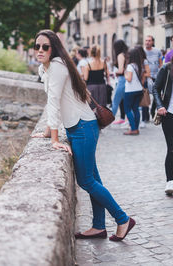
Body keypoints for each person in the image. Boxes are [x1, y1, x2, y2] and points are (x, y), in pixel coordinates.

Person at [31, 29, 135, 241]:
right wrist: (47, 131)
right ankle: (98, 226)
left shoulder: (58, 68)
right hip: (79, 127)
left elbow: (53, 102)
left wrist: (54, 140)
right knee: (93, 178)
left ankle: (123, 219)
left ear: (54, 49)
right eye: (37, 46)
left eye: (45, 47)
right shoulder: (50, 67)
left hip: (82, 127)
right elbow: (57, 100)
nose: (40, 50)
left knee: (86, 181)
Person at [151, 60, 173, 195]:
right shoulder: (167, 68)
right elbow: (155, 88)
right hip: (169, 114)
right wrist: (160, 105)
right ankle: (170, 180)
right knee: (171, 148)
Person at [123, 49, 143, 135]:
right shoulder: (139, 65)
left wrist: (125, 74)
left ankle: (133, 128)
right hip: (139, 89)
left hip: (130, 90)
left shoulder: (130, 66)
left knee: (127, 109)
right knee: (135, 109)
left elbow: (129, 79)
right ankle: (136, 128)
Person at [145, 35, 162, 120]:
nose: (147, 42)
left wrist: (161, 74)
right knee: (146, 96)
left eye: (149, 41)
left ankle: (152, 111)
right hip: (147, 77)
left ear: (152, 42)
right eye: (146, 40)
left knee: (156, 95)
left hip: (157, 77)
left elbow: (160, 63)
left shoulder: (157, 51)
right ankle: (146, 116)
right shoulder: (143, 52)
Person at [111, 40, 128, 125]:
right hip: (126, 80)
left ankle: (109, 120)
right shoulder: (126, 54)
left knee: (115, 101)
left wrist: (113, 73)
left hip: (122, 80)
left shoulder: (120, 55)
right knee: (126, 102)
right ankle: (128, 121)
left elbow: (121, 70)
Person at [135, 45, 151, 128]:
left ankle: (144, 119)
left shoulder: (144, 61)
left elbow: (148, 73)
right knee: (136, 102)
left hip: (143, 83)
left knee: (144, 101)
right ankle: (138, 120)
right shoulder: (134, 61)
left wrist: (140, 74)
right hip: (136, 83)